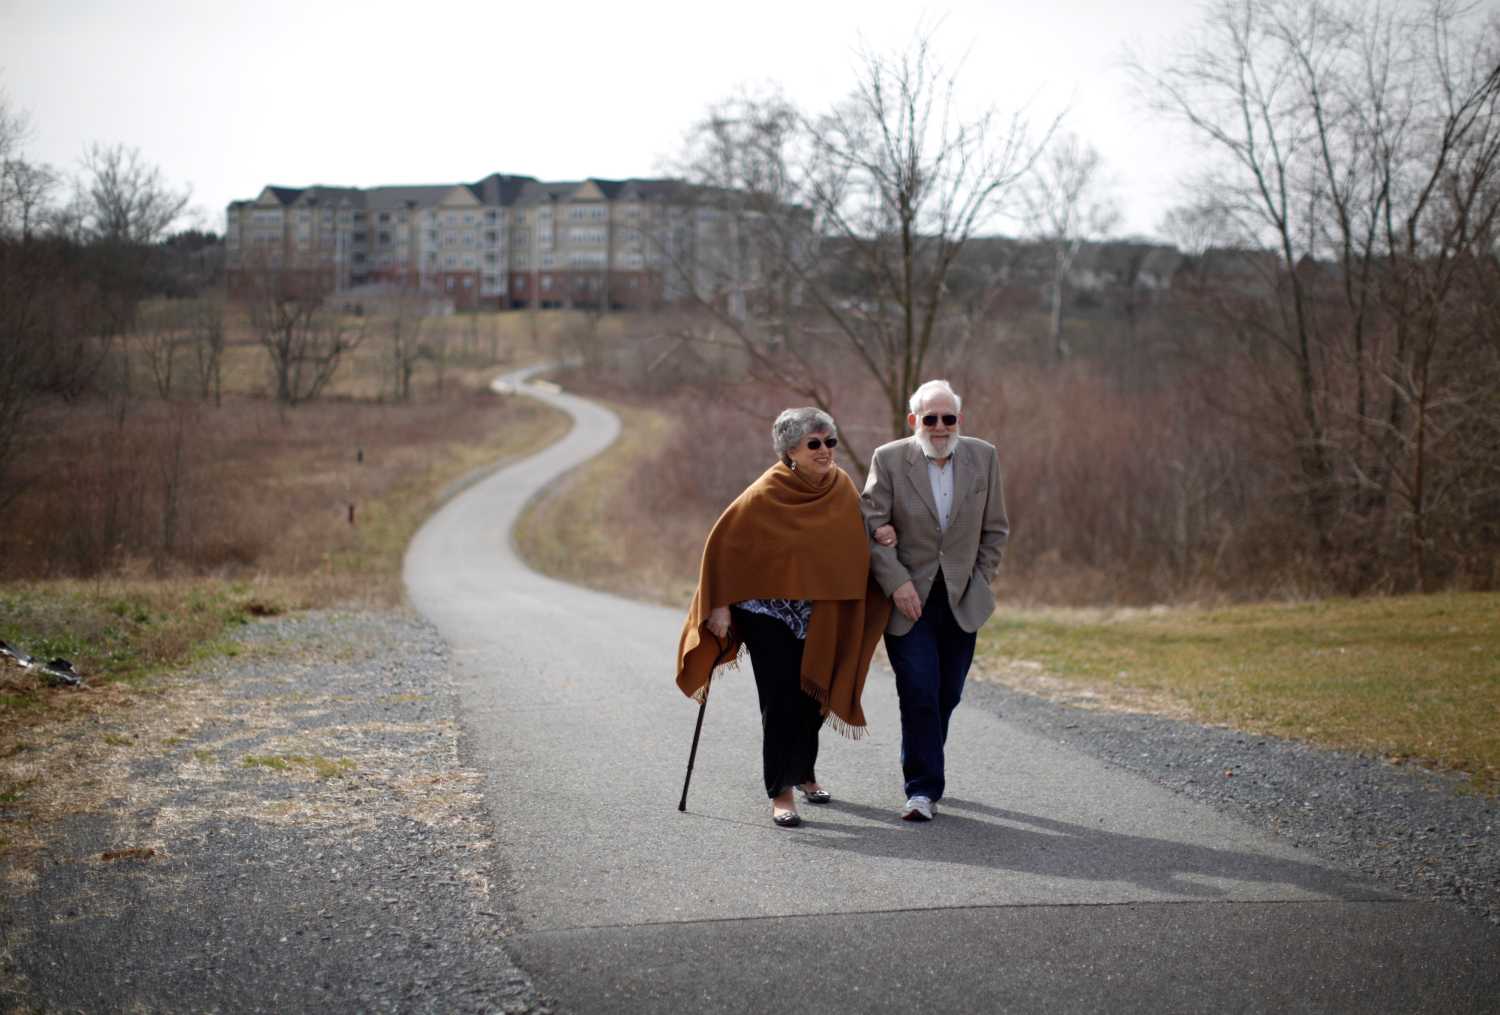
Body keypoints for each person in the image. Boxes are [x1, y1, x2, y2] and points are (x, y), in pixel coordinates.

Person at [676, 408, 891, 828]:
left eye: (830, 442)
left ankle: (806, 773)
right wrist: (719, 604)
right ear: (790, 450)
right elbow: (723, 546)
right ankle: (781, 791)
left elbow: (859, 536)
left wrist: (884, 532)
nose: (826, 451)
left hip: (821, 612)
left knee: (813, 698)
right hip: (767, 614)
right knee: (779, 702)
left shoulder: (842, 488)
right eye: (814, 444)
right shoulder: (766, 492)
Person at [862, 380, 1009, 822]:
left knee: (948, 693)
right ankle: (922, 790)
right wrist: (896, 582)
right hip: (909, 600)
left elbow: (996, 529)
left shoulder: (984, 457)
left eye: (949, 418)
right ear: (915, 421)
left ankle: (929, 763)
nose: (941, 426)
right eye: (931, 418)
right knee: (919, 691)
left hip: (963, 598)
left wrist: (981, 579)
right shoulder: (889, 459)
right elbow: (871, 525)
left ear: (959, 420)